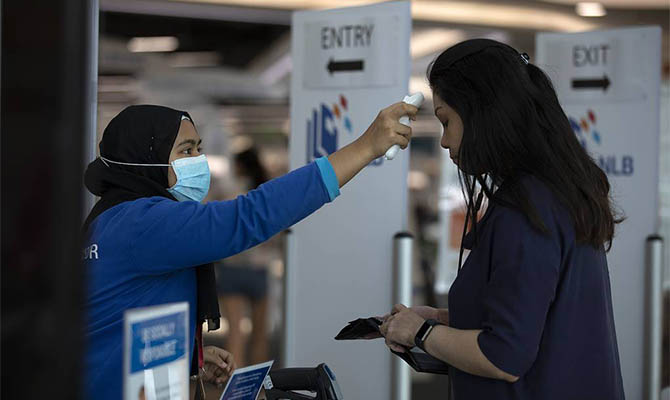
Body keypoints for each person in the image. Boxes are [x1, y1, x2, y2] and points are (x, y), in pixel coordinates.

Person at [83, 102, 416, 400]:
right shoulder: (142, 222)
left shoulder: (115, 220)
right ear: (146, 160)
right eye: (186, 151)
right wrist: (365, 147)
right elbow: (249, 217)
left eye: (198, 148)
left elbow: (121, 320)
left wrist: (187, 358)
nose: (198, 161)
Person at [379, 39, 625, 400]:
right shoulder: (550, 193)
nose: (444, 141)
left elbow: (504, 356)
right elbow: (529, 316)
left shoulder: (526, 211)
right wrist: (438, 318)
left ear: (482, 112)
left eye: (447, 122)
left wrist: (421, 333)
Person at [216, 145, 274, 367]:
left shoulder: (227, 192)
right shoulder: (266, 193)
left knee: (235, 335)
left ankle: (235, 385)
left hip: (231, 267)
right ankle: (259, 384)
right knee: (260, 335)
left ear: (239, 166)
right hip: (259, 268)